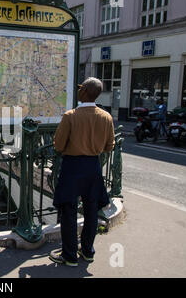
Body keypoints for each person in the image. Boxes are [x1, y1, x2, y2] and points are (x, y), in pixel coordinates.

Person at [49, 77, 115, 267]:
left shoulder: (70, 116)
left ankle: (69, 255)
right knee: (92, 209)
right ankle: (87, 251)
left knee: (69, 210)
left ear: (84, 91)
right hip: (93, 167)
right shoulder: (106, 117)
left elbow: (59, 145)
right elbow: (109, 146)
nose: (78, 90)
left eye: (80, 88)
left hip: (72, 166)